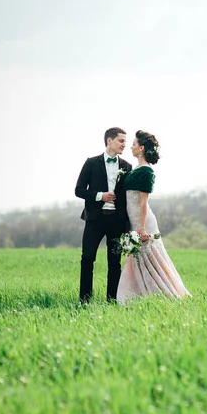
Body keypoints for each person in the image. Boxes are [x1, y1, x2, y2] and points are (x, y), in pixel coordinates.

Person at [116, 130, 191, 305]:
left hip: (143, 221)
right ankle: (139, 294)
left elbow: (143, 203)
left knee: (150, 257)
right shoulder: (135, 170)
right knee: (138, 257)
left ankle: (161, 293)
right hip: (134, 221)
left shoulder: (146, 172)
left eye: (133, 144)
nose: (131, 147)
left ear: (141, 148)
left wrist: (141, 227)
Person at [75, 127, 132, 305]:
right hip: (95, 220)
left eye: (125, 141)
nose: (124, 144)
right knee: (87, 259)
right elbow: (78, 190)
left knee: (114, 262)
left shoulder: (126, 166)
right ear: (109, 141)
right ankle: (85, 300)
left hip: (116, 221)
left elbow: (128, 198)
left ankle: (112, 301)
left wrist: (128, 224)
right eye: (121, 141)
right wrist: (100, 196)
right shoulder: (91, 163)